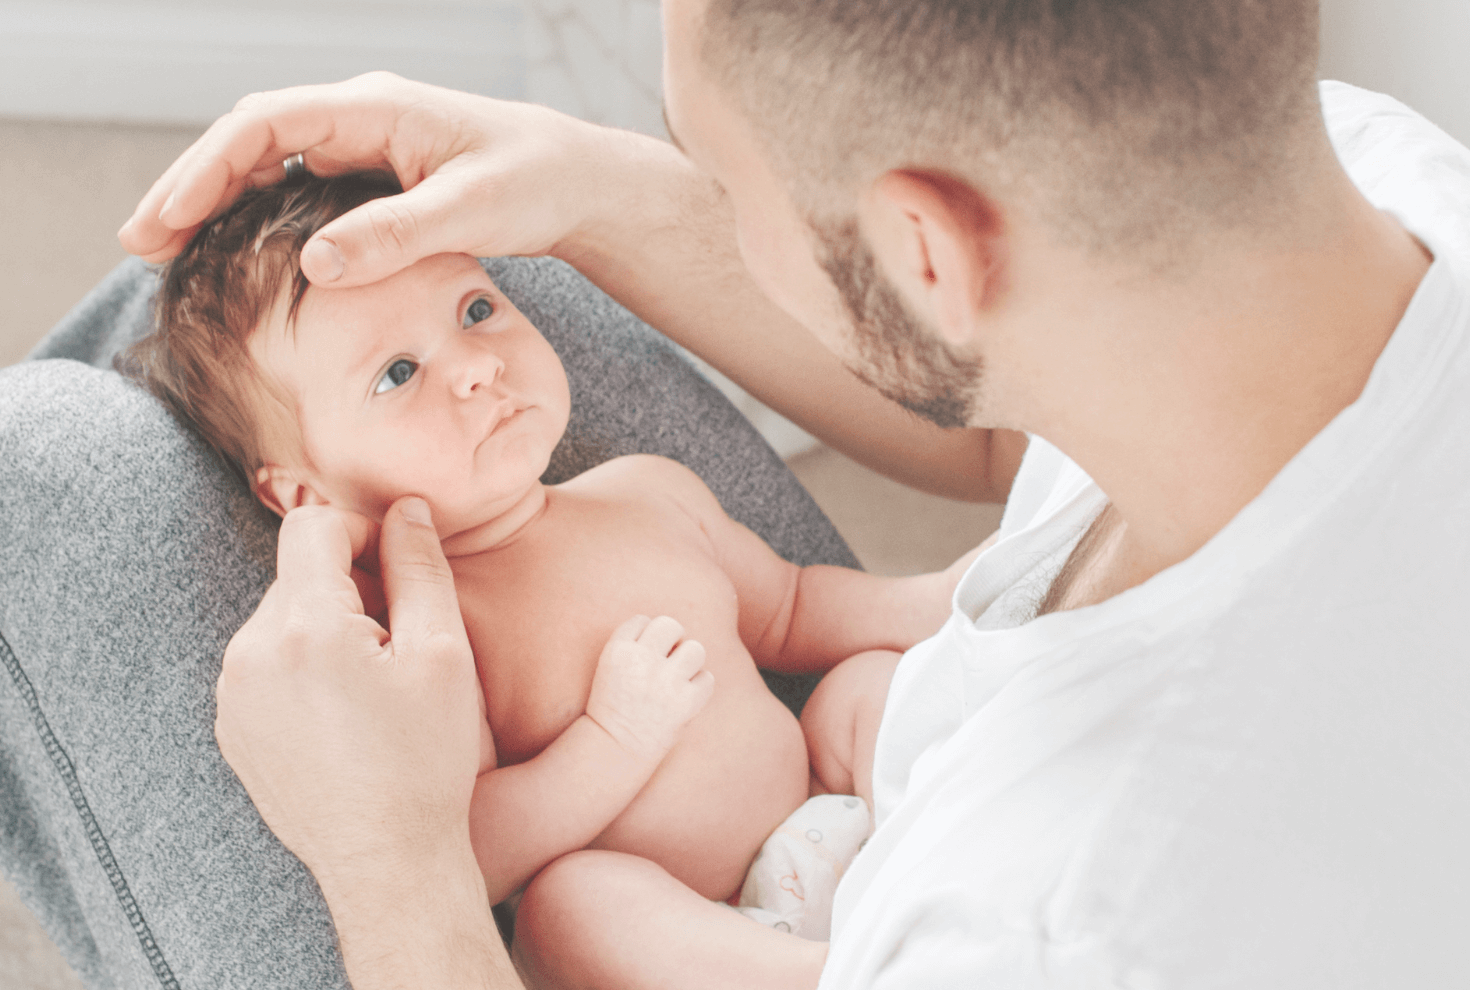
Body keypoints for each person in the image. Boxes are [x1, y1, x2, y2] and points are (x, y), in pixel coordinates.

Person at [14, 0, 1467, 986]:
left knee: (47, 465)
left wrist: (380, 852)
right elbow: (993, 453)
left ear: (928, 255)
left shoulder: (1057, 924)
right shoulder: (1364, 180)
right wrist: (582, 185)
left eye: (714, 171)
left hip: (785, 911)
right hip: (869, 790)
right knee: (198, 316)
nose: (493, 333)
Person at [123, 170, 970, 933]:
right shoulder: (424, 637)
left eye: (477, 310)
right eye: (397, 372)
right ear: (304, 496)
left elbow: (790, 608)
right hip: (699, 929)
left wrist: (941, 598)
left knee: (869, 688)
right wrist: (611, 739)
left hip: (830, 811)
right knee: (575, 909)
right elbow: (468, 851)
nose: (476, 368)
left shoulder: (648, 491)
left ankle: (972, 862)